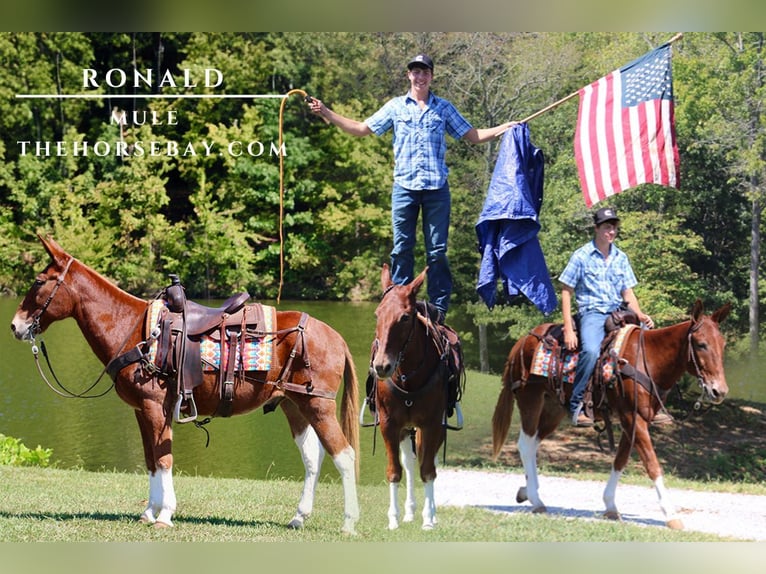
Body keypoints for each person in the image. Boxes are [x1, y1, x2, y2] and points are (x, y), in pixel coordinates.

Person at [308, 53, 515, 321]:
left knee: (437, 250)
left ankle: (439, 308)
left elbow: (472, 136)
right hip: (404, 188)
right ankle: (400, 298)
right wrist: (326, 112)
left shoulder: (443, 108)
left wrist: (505, 128)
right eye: (415, 72)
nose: (420, 76)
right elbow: (361, 129)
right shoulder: (395, 107)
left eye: (425, 72)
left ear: (431, 76)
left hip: (436, 190)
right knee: (401, 247)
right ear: (409, 75)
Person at [559, 207, 656, 426]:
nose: (611, 231)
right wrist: (568, 327)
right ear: (596, 228)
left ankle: (652, 402)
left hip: (619, 312)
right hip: (592, 312)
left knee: (647, 342)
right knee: (592, 351)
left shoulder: (620, 257)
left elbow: (627, 292)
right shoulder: (581, 256)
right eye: (606, 227)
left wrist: (640, 314)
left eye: (613, 227)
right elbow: (566, 290)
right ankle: (576, 405)